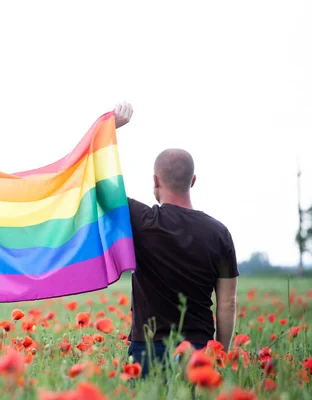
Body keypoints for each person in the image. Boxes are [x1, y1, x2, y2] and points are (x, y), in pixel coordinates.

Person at [113, 103, 239, 378]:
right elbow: (227, 303)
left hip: (148, 350)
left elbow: (100, 183)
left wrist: (109, 131)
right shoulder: (220, 233)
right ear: (193, 181)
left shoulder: (142, 220)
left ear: (155, 180)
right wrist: (220, 353)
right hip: (200, 352)